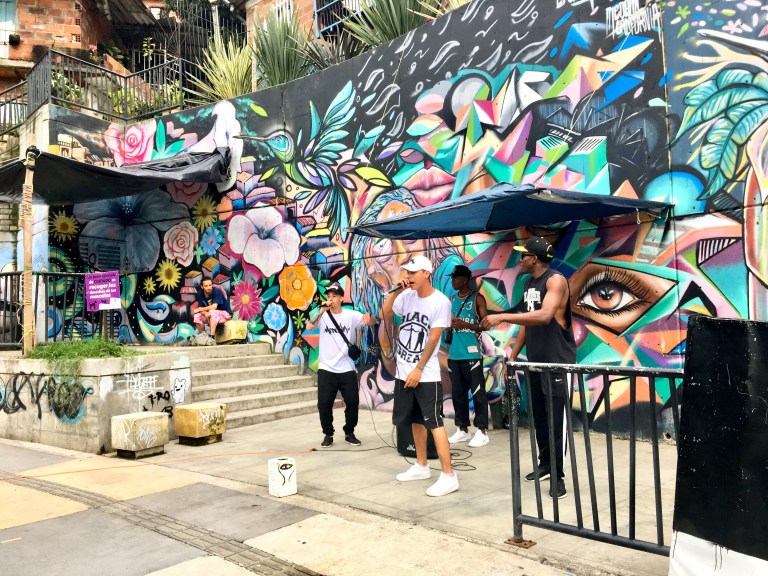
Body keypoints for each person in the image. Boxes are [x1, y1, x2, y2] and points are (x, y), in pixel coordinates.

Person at [480, 236, 576, 499]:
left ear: (534, 259)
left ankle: (558, 476)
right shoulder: (528, 283)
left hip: (557, 363)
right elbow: (527, 321)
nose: (519, 260)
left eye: (523, 255)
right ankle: (545, 464)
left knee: (557, 421)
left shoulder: (555, 280)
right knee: (540, 418)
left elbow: (544, 316)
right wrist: (513, 356)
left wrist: (501, 316)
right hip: (534, 361)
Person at [381, 254, 458, 497]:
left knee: (434, 421)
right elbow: (384, 314)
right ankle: (421, 465)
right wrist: (396, 290)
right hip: (404, 370)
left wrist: (418, 368)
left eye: (413, 272)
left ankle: (449, 475)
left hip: (425, 374)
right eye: (407, 272)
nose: (409, 276)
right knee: (415, 419)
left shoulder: (440, 302)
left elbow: (434, 338)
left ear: (427, 273)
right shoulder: (406, 296)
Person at [306, 282, 375, 448]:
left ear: (342, 298)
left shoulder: (351, 315)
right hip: (326, 368)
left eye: (334, 296)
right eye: (329, 296)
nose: (331, 299)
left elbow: (370, 321)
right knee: (324, 404)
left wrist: (369, 317)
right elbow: (309, 326)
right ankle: (328, 433)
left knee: (352, 402)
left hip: (346, 367)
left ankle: (349, 432)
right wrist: (321, 311)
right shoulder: (322, 316)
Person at [445, 264, 490, 448]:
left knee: (478, 393)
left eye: (455, 278)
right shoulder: (450, 300)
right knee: (458, 395)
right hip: (454, 354)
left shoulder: (477, 298)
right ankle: (462, 429)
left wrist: (466, 324)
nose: (452, 281)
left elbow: (486, 325)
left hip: (472, 354)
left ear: (464, 279)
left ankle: (482, 431)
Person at [194, 277, 232, 345]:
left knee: (212, 312)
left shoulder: (216, 291)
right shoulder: (200, 294)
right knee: (197, 316)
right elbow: (200, 308)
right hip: (211, 316)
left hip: (225, 315)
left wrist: (200, 310)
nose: (209, 287)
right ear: (202, 287)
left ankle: (212, 339)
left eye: (210, 285)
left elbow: (214, 307)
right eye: (206, 286)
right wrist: (204, 313)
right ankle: (205, 336)